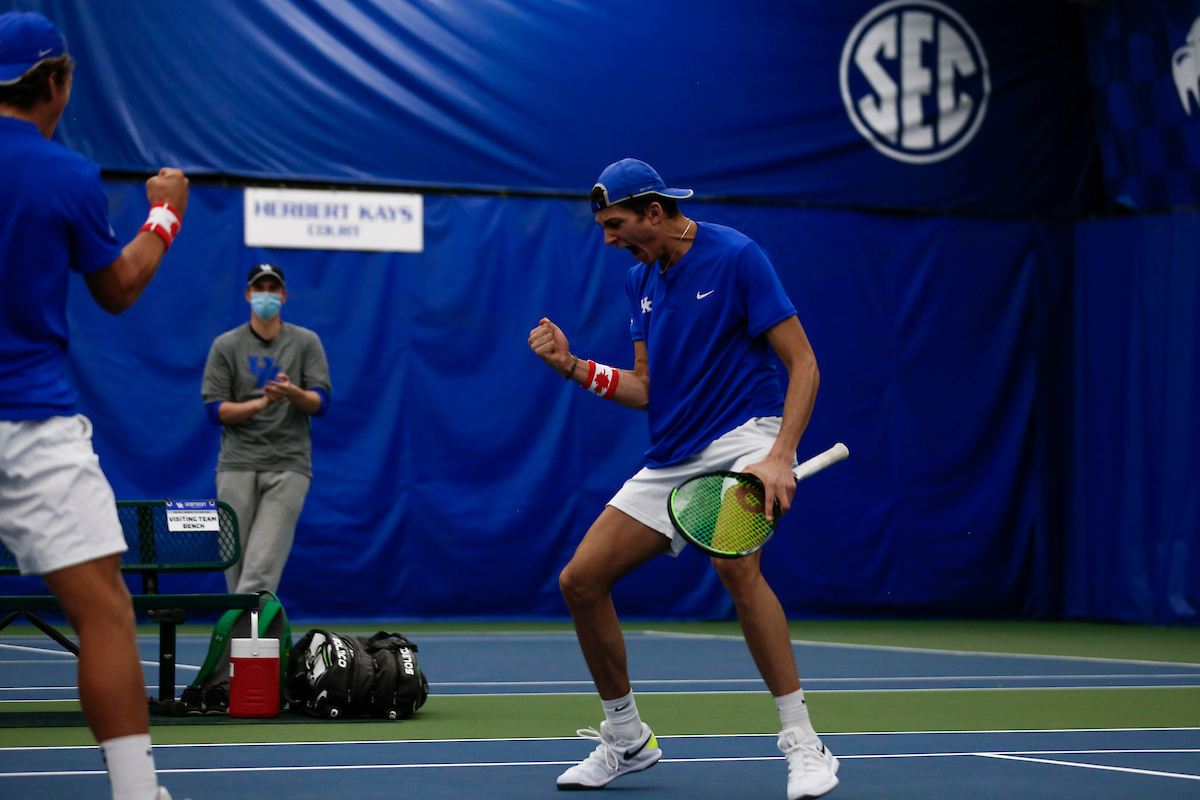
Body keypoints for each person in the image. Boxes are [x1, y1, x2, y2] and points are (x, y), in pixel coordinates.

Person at [528, 158, 837, 799]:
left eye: (616, 225)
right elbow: (646, 388)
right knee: (581, 581)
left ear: (655, 212)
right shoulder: (640, 279)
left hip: (745, 436)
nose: (608, 239)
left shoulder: (737, 256)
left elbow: (804, 362)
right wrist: (573, 366)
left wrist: (780, 454)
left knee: (734, 566)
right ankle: (627, 741)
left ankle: (804, 742)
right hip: (674, 455)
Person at [0, 12, 190, 800]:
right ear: (55, 83)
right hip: (31, 424)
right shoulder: (67, 175)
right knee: (106, 613)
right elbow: (118, 289)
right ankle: (136, 793)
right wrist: (165, 213)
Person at [201, 263, 330, 596]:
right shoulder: (226, 345)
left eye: (273, 289)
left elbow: (321, 403)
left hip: (288, 465)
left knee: (260, 568)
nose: (266, 296)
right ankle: (250, 629)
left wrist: (292, 392)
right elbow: (216, 411)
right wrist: (262, 403)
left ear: (284, 296)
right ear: (248, 295)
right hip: (236, 465)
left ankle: (245, 630)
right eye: (260, 289)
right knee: (234, 563)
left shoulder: (306, 342)